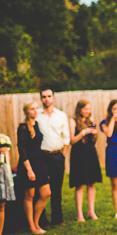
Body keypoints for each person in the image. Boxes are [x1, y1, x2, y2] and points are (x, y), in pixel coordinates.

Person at [35, 89, 69, 227]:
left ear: (53, 98)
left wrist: (63, 155)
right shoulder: (37, 116)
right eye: (44, 97)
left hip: (57, 155)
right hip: (42, 156)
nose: (46, 99)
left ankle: (57, 219)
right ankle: (41, 220)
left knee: (57, 188)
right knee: (42, 189)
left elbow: (66, 137)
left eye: (49, 96)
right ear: (41, 99)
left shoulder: (61, 115)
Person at [17, 102, 51, 234]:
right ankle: (31, 226)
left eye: (37, 108)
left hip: (39, 162)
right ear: (27, 111)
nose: (35, 111)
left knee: (46, 192)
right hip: (28, 164)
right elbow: (22, 149)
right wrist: (29, 169)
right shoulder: (23, 127)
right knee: (29, 195)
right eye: (32, 109)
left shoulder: (36, 125)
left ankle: (36, 222)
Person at [69, 100, 102, 221]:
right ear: (79, 109)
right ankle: (79, 213)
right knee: (80, 184)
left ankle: (91, 211)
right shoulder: (73, 121)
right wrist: (83, 132)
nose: (87, 111)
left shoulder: (90, 121)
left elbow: (94, 140)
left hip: (90, 153)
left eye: (89, 109)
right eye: (85, 109)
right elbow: (72, 140)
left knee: (91, 183)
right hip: (78, 154)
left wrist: (94, 133)